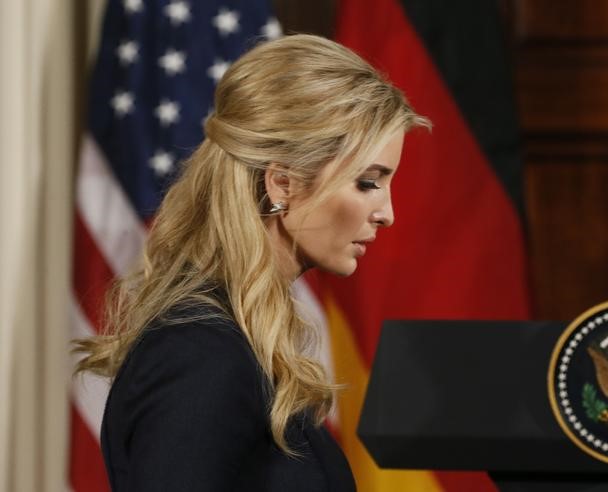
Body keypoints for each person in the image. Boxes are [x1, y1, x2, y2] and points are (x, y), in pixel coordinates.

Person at [73, 34, 430, 491]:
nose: (387, 213)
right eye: (367, 183)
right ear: (281, 184)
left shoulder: (238, 340)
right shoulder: (199, 352)